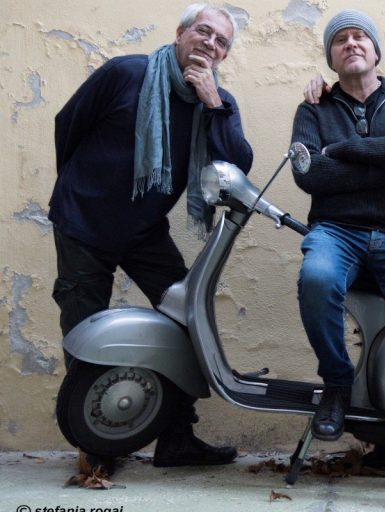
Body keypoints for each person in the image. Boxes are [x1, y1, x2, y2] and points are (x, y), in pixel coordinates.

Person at [49, 3, 253, 473]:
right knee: (83, 329)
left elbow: (236, 166)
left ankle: (176, 439)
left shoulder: (217, 102)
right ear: (180, 33)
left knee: (188, 316)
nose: (210, 44)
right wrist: (82, 188)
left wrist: (212, 104)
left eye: (221, 41)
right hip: (83, 222)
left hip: (144, 232)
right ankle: (98, 447)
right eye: (203, 32)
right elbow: (68, 124)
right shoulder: (126, 73)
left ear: (224, 55)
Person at [290, 10, 385, 512]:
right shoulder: (313, 107)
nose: (352, 44)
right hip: (338, 230)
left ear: (377, 51)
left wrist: (346, 150)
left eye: (360, 37)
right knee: (317, 277)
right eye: (341, 40)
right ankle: (338, 381)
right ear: (331, 58)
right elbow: (309, 174)